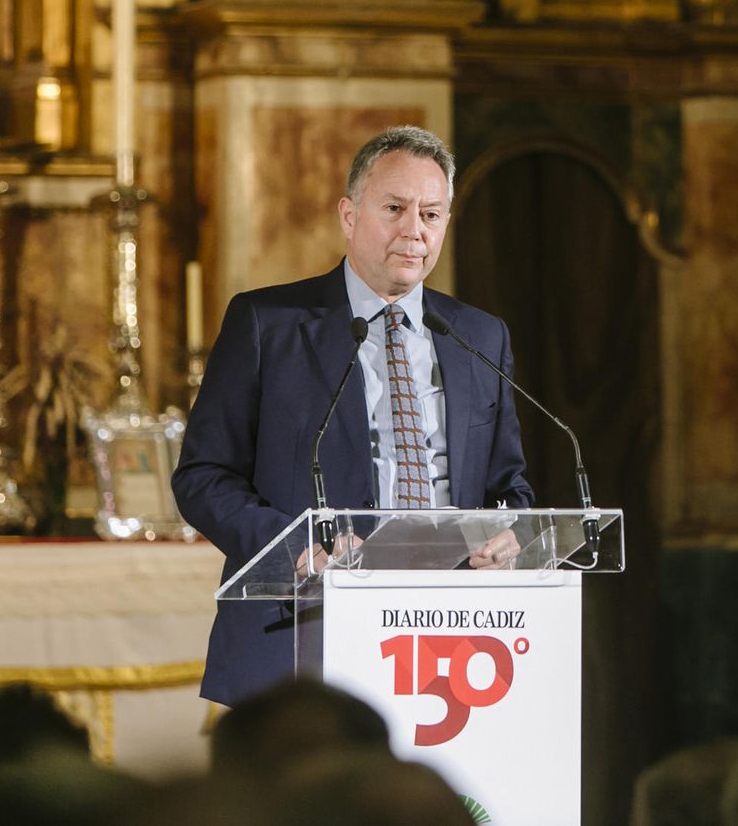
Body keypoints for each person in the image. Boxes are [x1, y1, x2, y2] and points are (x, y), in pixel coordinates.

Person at [174, 126, 534, 706]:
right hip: (306, 632)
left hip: (452, 639)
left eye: (431, 214)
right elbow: (203, 476)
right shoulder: (268, 324)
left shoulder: (480, 336)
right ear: (349, 214)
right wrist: (296, 547)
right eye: (394, 209)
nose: (414, 230)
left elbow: (508, 486)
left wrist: (508, 535)